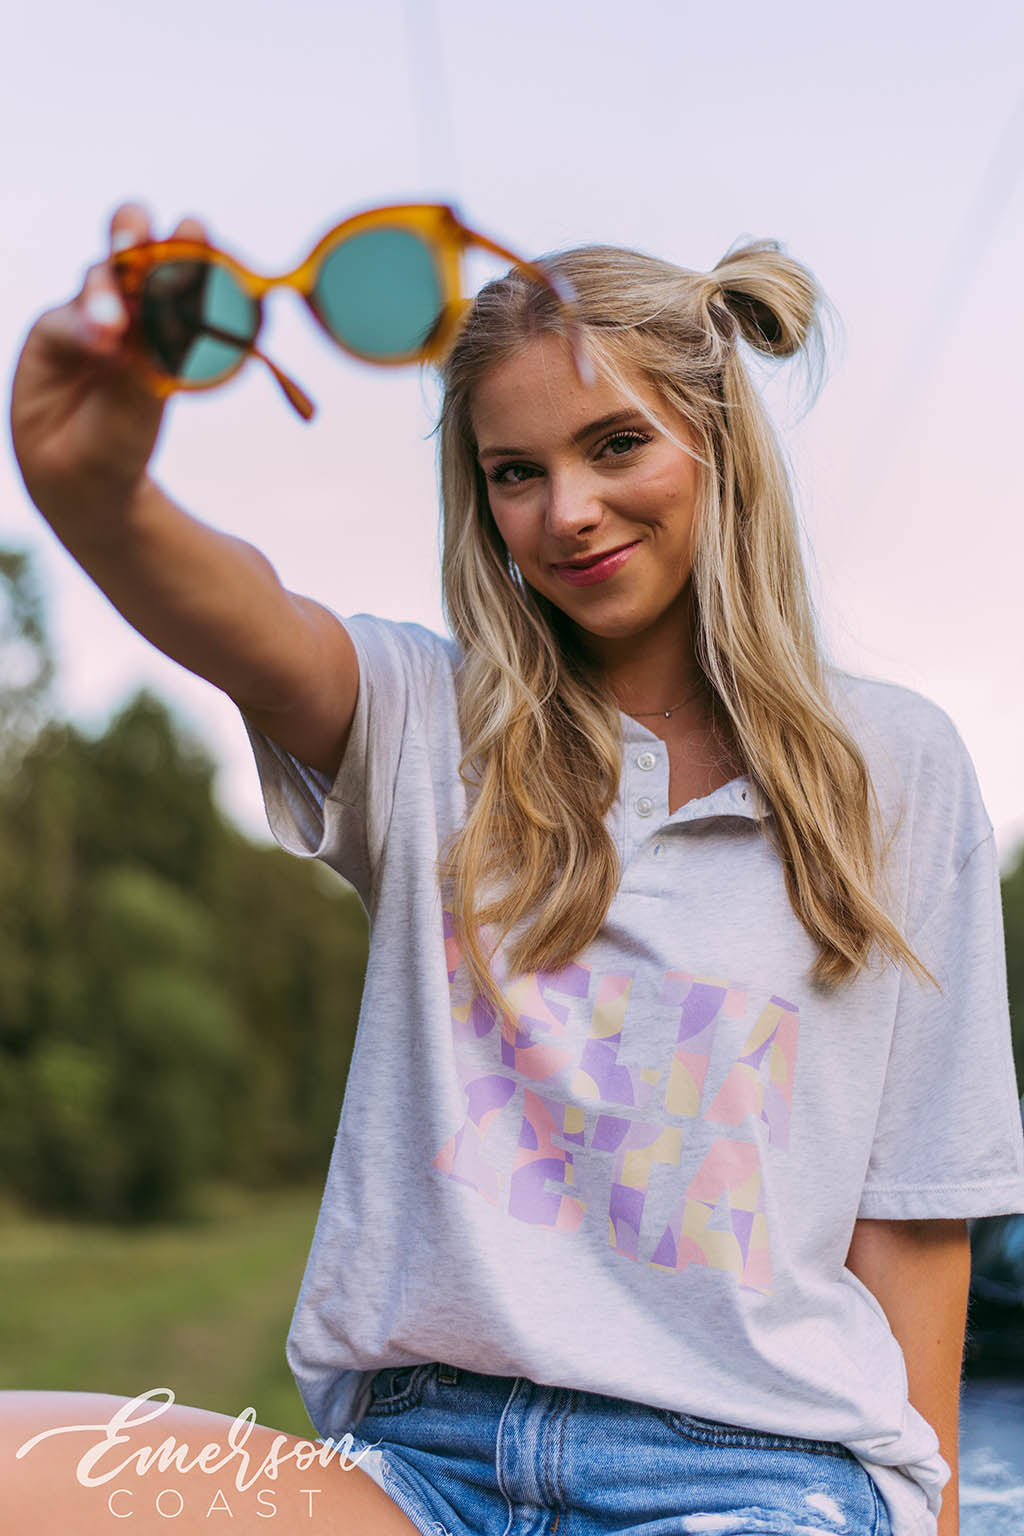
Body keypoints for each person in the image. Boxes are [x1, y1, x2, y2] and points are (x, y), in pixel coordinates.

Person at [4, 199, 1023, 1536]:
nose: (570, 512)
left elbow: (916, 1213)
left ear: (717, 442)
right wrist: (91, 485)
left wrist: (927, 1514)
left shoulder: (894, 767)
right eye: (515, 472)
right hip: (426, 1467)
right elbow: (240, 610)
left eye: (617, 445)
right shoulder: (425, 725)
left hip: (757, 1473)